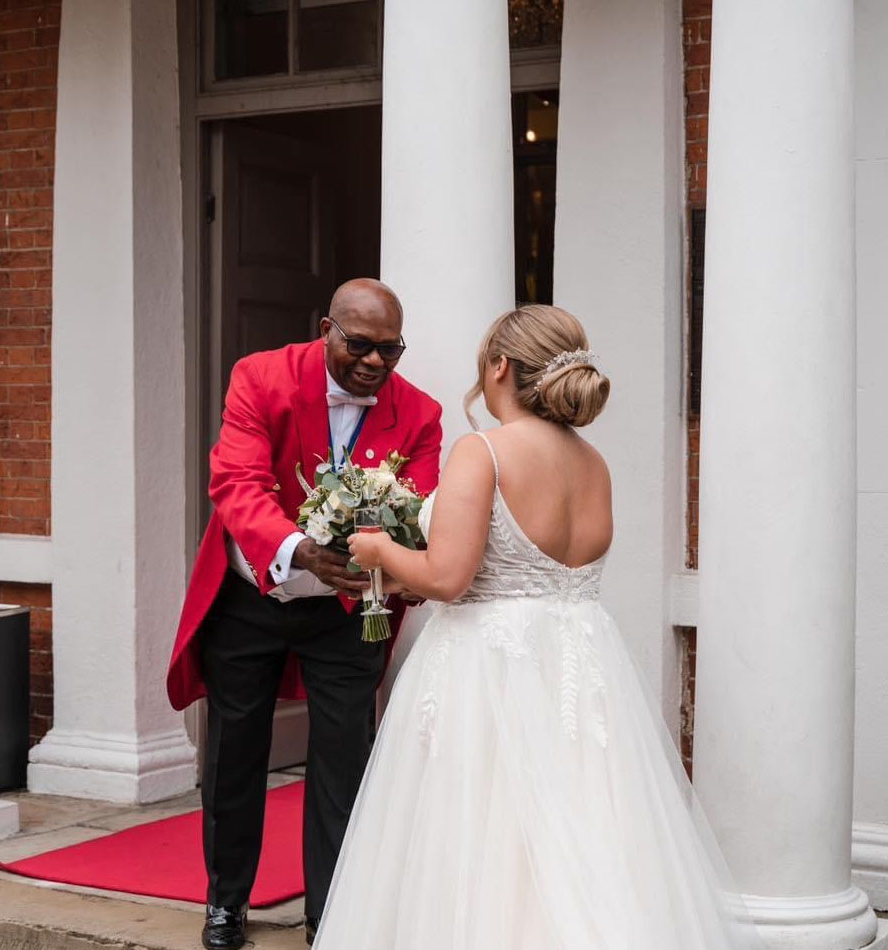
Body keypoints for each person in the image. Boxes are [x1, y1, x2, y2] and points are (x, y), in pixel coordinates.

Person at [314, 304, 762, 949]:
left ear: (499, 365)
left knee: (483, 832)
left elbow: (447, 577)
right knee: (585, 827)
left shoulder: (483, 453)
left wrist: (378, 550)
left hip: (489, 667)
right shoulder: (593, 464)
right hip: (581, 663)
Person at [166, 278, 442, 950]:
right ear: (327, 328)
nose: (375, 362)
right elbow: (236, 481)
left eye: (391, 350)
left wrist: (390, 548)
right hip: (251, 594)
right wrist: (300, 550)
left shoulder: (422, 412)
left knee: (345, 756)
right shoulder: (260, 377)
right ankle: (226, 902)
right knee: (234, 752)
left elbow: (424, 502)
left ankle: (332, 913)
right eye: (361, 345)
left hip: (348, 609)